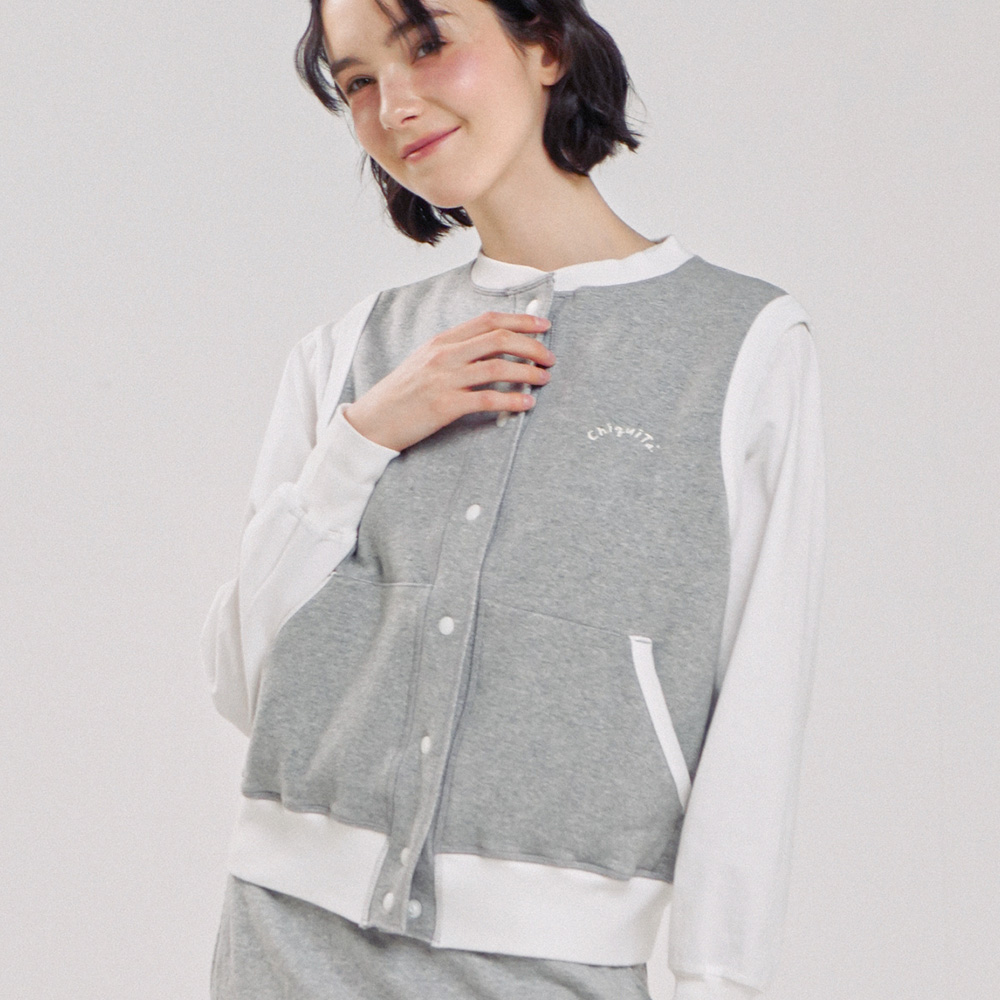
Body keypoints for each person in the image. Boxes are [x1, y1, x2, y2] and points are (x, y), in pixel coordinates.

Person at [201, 0, 826, 997]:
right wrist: (363, 438)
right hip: (286, 940)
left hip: (552, 961)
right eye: (358, 81)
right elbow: (244, 682)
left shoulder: (739, 344)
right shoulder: (350, 351)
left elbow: (760, 694)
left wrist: (718, 978)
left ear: (544, 45)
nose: (393, 105)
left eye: (428, 44)